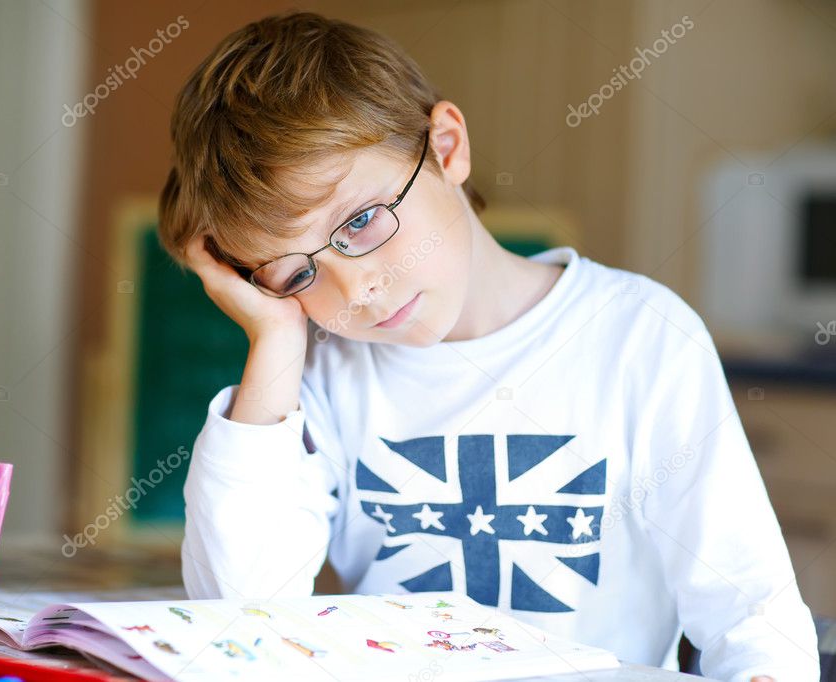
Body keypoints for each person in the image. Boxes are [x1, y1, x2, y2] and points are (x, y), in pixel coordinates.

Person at [155, 11, 819, 681]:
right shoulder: (322, 374)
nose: (357, 289)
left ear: (445, 148)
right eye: (296, 272)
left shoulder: (640, 336)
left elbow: (750, 611)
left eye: (359, 221)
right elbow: (239, 623)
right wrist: (273, 339)